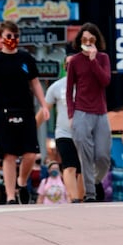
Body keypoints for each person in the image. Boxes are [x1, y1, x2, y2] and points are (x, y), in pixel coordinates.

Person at [0, 21, 49, 203]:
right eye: (8, 36)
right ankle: (11, 196)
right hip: (3, 112)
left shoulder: (26, 59)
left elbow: (35, 83)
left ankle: (22, 180)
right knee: (9, 155)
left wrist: (43, 105)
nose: (12, 40)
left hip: (26, 110)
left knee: (30, 154)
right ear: (1, 38)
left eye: (15, 36)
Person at [66, 23, 111, 202]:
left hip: (100, 112)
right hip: (81, 111)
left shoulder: (103, 58)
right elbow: (69, 90)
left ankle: (94, 180)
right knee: (85, 155)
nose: (87, 43)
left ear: (96, 41)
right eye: (84, 40)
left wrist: (93, 61)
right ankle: (90, 194)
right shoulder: (75, 61)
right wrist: (71, 115)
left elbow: (105, 81)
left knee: (102, 156)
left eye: (91, 40)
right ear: (79, 41)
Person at [44, 72, 86, 202]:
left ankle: (82, 197)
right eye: (69, 64)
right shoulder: (56, 86)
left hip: (84, 133)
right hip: (63, 133)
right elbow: (45, 109)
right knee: (69, 166)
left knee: (83, 168)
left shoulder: (87, 84)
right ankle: (74, 199)